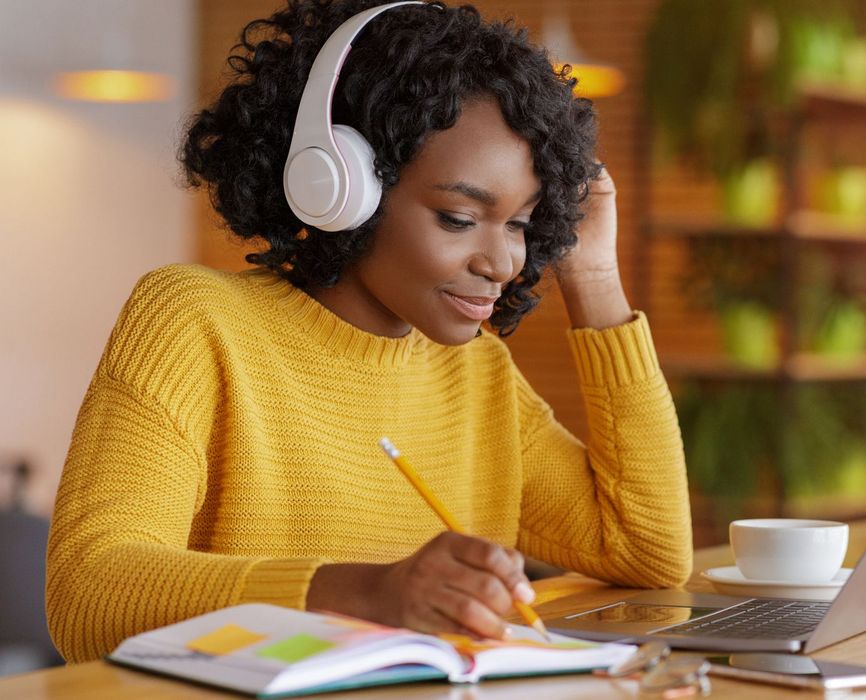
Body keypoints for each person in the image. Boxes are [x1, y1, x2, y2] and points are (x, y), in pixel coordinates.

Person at [46, 0, 692, 664]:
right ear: (340, 186)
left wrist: (593, 274)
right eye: (458, 217)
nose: (501, 261)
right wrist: (366, 593)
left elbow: (648, 550)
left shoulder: (477, 372)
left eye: (523, 223)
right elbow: (89, 595)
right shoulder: (194, 321)